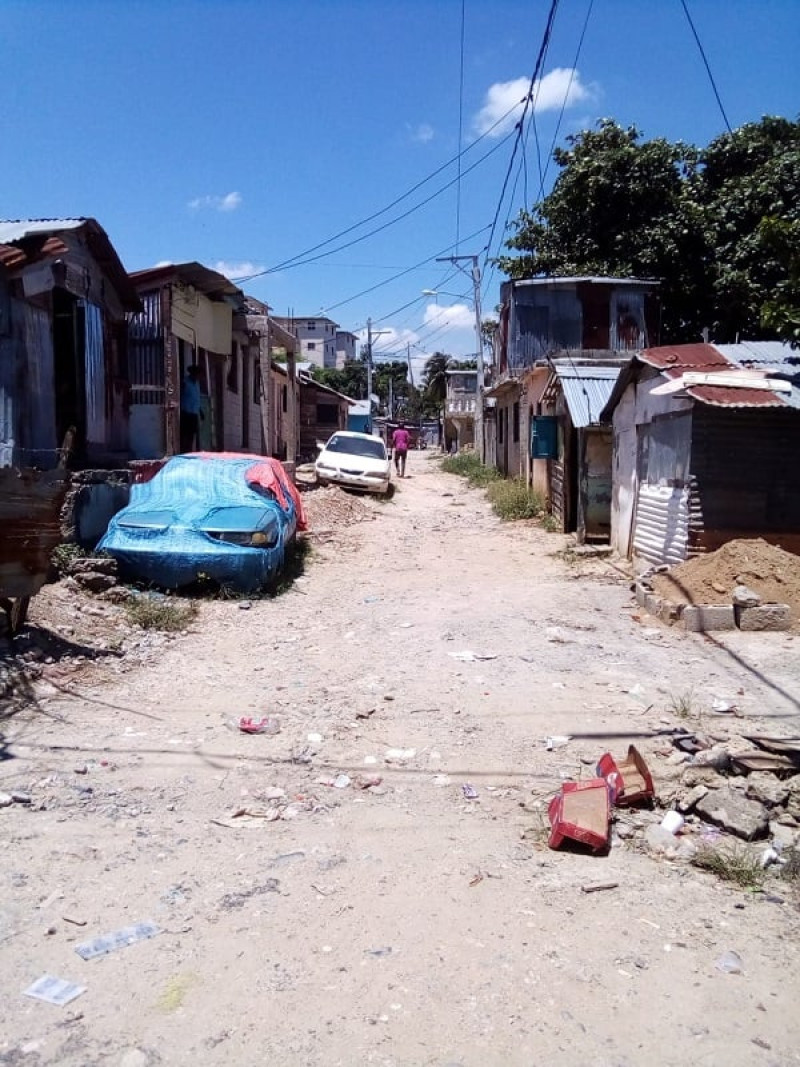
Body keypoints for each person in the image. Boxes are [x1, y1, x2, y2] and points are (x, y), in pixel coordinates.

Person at [180, 364, 204, 452]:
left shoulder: (197, 384)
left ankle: (189, 451)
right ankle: (183, 450)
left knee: (192, 434)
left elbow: (197, 398)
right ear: (193, 373)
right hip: (186, 412)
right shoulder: (185, 382)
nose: (199, 376)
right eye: (198, 374)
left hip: (194, 413)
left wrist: (201, 411)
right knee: (184, 434)